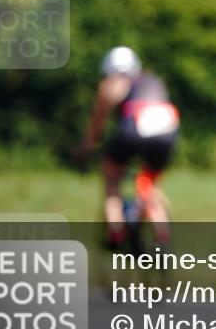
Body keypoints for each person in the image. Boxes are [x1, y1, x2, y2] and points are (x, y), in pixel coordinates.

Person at [76, 46, 179, 248]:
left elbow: (98, 122)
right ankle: (161, 237)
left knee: (112, 177)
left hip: (134, 125)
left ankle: (115, 230)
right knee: (150, 185)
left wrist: (87, 146)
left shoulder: (114, 82)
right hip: (168, 128)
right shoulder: (152, 79)